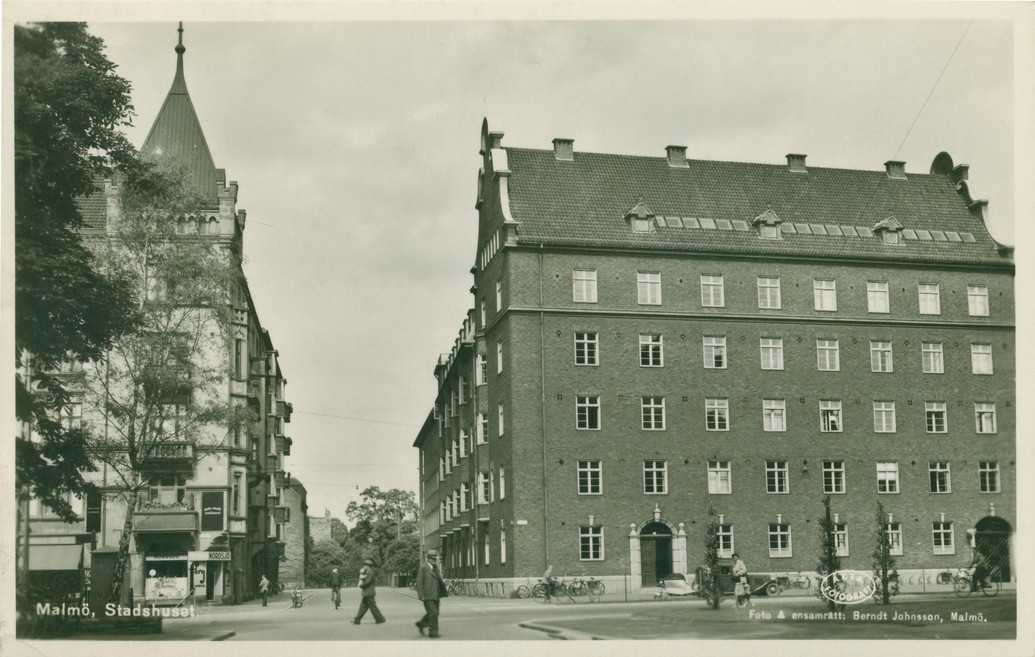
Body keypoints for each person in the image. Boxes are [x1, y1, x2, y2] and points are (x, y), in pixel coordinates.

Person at [415, 548, 444, 638]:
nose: (434, 560)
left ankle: (421, 623)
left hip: (436, 595)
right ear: (428, 559)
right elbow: (419, 582)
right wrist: (421, 595)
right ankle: (433, 633)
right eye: (432, 558)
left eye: (435, 558)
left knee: (435, 613)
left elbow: (438, 581)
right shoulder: (423, 568)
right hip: (427, 595)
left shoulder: (435, 568)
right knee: (433, 613)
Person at [353, 559, 386, 624]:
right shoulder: (368, 572)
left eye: (365, 565)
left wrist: (361, 585)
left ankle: (380, 619)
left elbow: (368, 582)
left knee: (372, 607)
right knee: (363, 607)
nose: (364, 566)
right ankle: (357, 620)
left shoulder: (370, 572)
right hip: (367, 592)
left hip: (369, 592)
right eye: (364, 565)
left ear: (369, 566)